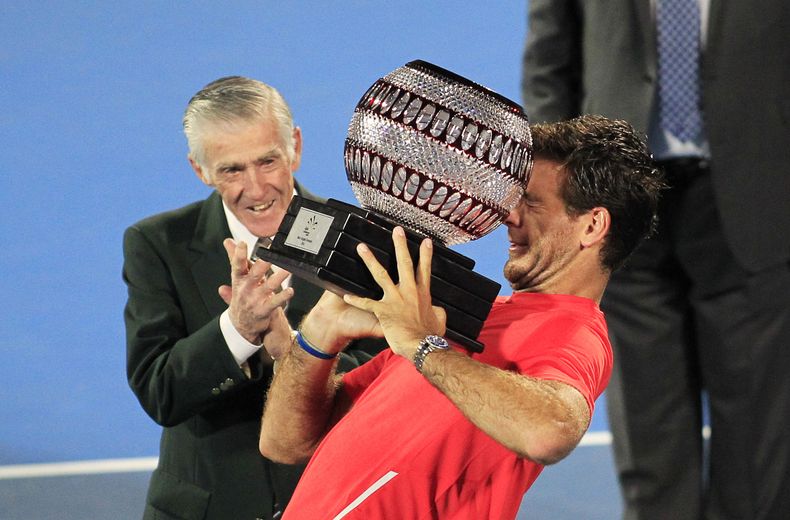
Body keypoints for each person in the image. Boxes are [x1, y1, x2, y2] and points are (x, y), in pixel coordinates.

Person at [257, 115, 663, 519]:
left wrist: (421, 345)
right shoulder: (468, 319)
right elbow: (284, 444)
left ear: (592, 225)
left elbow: (551, 432)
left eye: (531, 202)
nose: (509, 215)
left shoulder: (575, 333)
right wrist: (319, 335)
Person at [521, 2, 790, 519]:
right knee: (648, 424)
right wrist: (555, 187)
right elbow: (549, 62)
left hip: (760, 186)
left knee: (760, 438)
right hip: (617, 196)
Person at [122, 76, 382, 520]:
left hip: (329, 504)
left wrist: (297, 353)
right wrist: (236, 331)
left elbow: (384, 384)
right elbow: (160, 392)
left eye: (268, 161)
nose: (257, 189)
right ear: (200, 169)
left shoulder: (361, 243)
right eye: (232, 170)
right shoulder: (158, 244)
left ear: (295, 147)